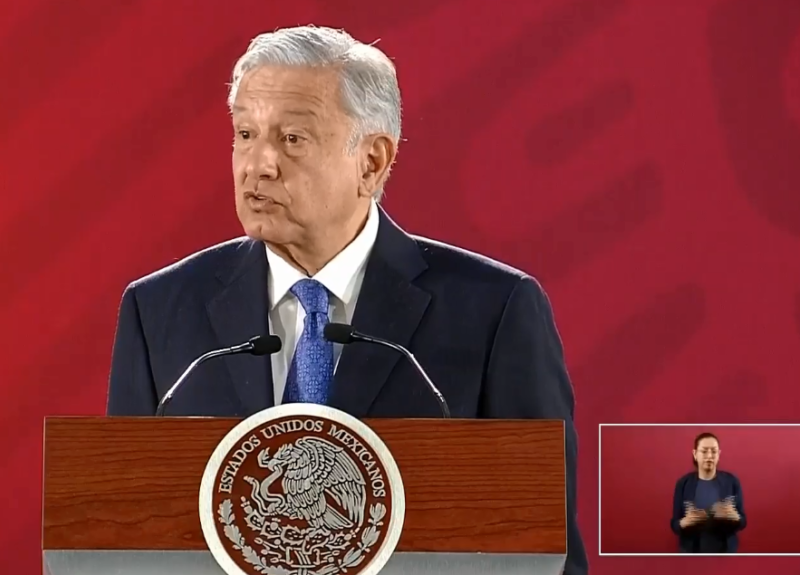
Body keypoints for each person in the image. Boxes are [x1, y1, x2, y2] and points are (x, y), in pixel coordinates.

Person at [105, 25, 586, 574]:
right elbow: (120, 540)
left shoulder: (494, 312)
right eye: (245, 133)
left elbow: (548, 556)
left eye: (291, 138)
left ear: (372, 162)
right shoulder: (160, 310)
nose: (257, 165)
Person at [670, 432, 746, 553]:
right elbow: (674, 524)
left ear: (719, 454)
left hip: (725, 552)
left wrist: (734, 517)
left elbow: (743, 521)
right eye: (704, 451)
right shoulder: (683, 483)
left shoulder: (732, 482)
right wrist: (685, 522)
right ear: (695, 454)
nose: (709, 456)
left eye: (714, 451)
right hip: (691, 552)